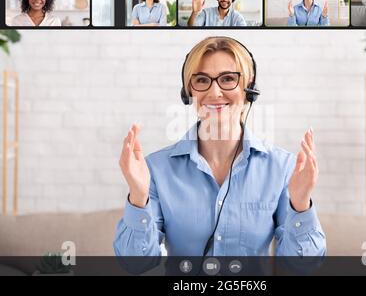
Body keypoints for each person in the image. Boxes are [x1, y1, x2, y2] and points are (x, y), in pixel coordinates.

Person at [113, 36, 326, 257]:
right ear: (189, 92)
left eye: (227, 79)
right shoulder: (156, 169)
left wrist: (300, 204)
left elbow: (302, 265)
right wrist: (138, 199)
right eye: (202, 80)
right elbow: (136, 264)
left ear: (249, 87)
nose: (214, 93)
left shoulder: (281, 167)